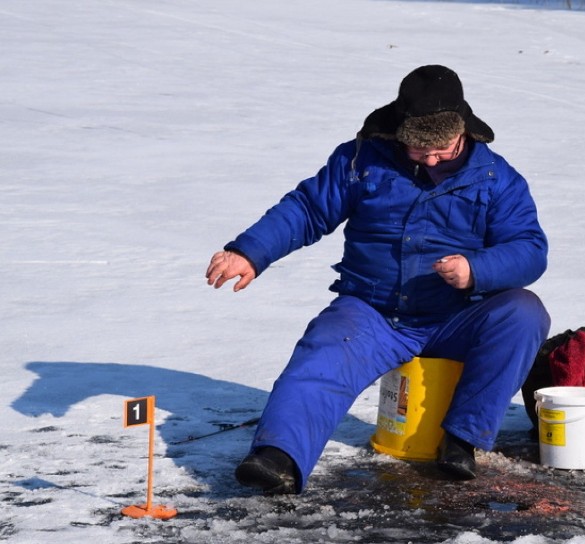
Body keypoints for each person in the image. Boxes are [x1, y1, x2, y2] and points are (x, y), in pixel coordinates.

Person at [205, 64, 550, 495]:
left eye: (441, 149)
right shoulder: (362, 159)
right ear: (399, 132)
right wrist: (250, 252)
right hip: (374, 311)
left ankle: (463, 439)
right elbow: (309, 209)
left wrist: (475, 270)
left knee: (523, 313)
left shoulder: (497, 179)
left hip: (460, 315)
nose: (430, 159)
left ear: (463, 132)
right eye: (418, 149)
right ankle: (279, 456)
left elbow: (530, 250)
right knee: (323, 352)